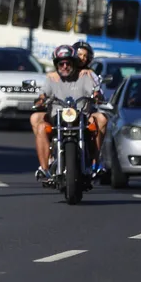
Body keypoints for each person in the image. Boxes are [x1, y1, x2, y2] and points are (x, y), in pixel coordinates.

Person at [32, 45, 102, 181]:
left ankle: (95, 162)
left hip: (81, 118)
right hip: (57, 119)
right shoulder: (52, 78)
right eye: (61, 63)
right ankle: (44, 168)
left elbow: (94, 92)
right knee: (41, 127)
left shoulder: (84, 76)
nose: (64, 66)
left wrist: (96, 95)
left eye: (68, 63)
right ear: (56, 65)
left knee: (97, 124)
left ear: (74, 63)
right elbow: (44, 94)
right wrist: (41, 100)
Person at [71, 41, 108, 176]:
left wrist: (97, 96)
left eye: (85, 56)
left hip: (84, 114)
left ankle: (95, 160)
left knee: (101, 119)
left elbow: (99, 94)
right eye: (79, 54)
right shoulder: (64, 69)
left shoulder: (90, 74)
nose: (82, 58)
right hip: (64, 113)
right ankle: (48, 161)